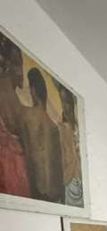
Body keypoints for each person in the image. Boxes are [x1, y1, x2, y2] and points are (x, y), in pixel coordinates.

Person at [21, 67, 64, 203]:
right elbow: (58, 171)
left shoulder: (27, 115)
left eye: (29, 87)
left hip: (36, 190)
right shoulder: (53, 126)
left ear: (33, 90)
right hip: (52, 194)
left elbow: (26, 154)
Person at [0, 32, 30, 197]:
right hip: (9, 165)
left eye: (20, 64)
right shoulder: (5, 87)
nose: (20, 71)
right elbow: (15, 125)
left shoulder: (10, 90)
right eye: (17, 64)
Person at [57, 84, 83, 206]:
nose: (65, 106)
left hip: (80, 179)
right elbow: (62, 156)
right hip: (70, 179)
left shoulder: (78, 128)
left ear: (72, 103)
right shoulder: (63, 128)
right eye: (62, 102)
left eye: (67, 102)